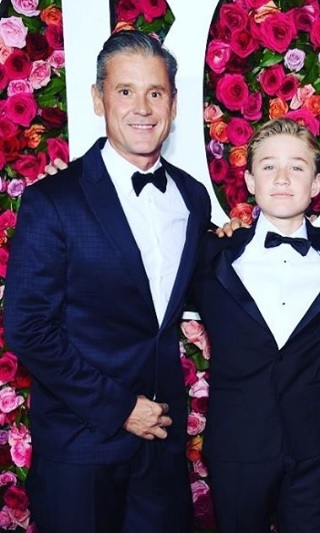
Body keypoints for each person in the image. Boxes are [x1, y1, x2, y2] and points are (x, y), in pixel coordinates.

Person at [4, 30, 211, 532]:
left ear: (173, 103)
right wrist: (120, 409)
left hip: (161, 446)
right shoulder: (54, 200)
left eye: (155, 92)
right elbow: (28, 327)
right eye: (125, 91)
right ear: (98, 99)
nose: (142, 108)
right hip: (81, 447)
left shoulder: (192, 197)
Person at [189, 118, 320, 533]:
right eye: (269, 166)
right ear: (250, 180)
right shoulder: (210, 255)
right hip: (237, 442)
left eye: (297, 167)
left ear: (318, 183)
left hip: (311, 444)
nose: (283, 178)